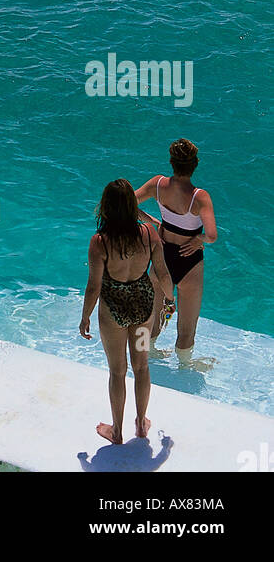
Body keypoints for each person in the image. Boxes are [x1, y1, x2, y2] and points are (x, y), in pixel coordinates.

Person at [80, 179, 175, 443]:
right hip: (144, 307)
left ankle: (118, 431)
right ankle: (141, 424)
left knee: (118, 371)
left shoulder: (100, 242)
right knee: (142, 367)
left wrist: (85, 316)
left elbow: (94, 286)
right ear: (133, 206)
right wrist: (169, 300)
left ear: (106, 208)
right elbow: (163, 273)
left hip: (113, 311)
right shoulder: (148, 234)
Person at [134, 139, 217, 360]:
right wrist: (198, 239)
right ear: (195, 164)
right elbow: (211, 235)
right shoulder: (200, 197)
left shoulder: (158, 184)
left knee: (152, 317)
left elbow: (127, 203)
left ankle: (145, 356)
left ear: (172, 162)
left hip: (162, 257)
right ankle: (185, 366)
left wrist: (151, 220)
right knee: (186, 329)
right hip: (189, 262)